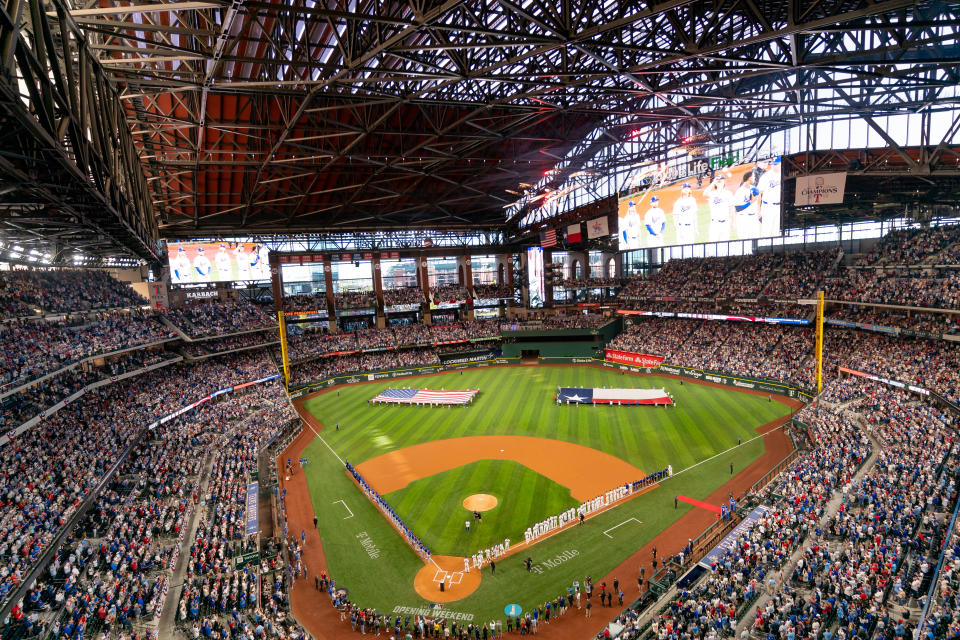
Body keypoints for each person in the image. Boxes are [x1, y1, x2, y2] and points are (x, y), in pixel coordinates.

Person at [756, 157, 782, 237]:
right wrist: (758, 209)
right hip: (767, 207)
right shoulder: (766, 176)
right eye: (772, 164)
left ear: (781, 163)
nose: (774, 166)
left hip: (780, 207)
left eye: (776, 164)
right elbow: (758, 193)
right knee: (766, 232)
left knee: (777, 233)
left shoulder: (784, 174)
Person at [705, 172, 733, 242]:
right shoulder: (712, 193)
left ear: (724, 182)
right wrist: (713, 183)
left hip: (725, 223)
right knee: (712, 243)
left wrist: (732, 222)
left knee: (725, 245)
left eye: (722, 180)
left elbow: (731, 209)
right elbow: (705, 193)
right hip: (714, 223)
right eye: (718, 180)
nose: (720, 182)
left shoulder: (728, 193)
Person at [733, 172, 761, 239]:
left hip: (753, 218)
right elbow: (737, 209)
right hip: (743, 219)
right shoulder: (740, 192)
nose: (754, 178)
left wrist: (759, 213)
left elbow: (758, 200)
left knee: (755, 240)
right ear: (749, 178)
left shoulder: (754, 189)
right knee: (744, 241)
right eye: (753, 176)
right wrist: (750, 202)